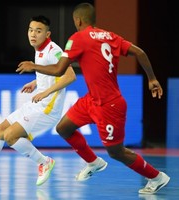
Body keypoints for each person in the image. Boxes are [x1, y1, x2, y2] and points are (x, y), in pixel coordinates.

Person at [17, 3, 170, 195]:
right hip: (92, 100)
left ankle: (156, 177)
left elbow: (59, 70)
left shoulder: (77, 38)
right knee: (63, 128)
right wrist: (153, 79)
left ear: (77, 20)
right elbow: (139, 52)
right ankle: (93, 162)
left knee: (116, 152)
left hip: (109, 105)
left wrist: (34, 66)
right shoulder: (110, 36)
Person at [0, 15, 77, 186]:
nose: (33, 34)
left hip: (48, 108)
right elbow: (52, 73)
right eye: (31, 30)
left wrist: (45, 91)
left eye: (38, 31)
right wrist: (36, 82)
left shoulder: (54, 51)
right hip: (37, 104)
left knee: (10, 136)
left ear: (48, 34)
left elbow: (70, 76)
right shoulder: (39, 48)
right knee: (0, 130)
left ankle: (44, 162)